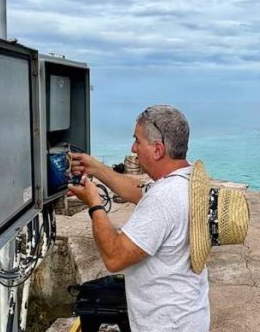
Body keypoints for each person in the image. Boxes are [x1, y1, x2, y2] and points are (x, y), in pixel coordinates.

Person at [68, 105, 210, 332]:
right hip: (188, 316)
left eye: (137, 141)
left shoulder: (163, 199)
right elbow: (138, 190)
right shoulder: (186, 179)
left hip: (166, 325)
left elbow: (114, 258)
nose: (133, 148)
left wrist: (94, 204)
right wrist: (95, 168)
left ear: (157, 149)